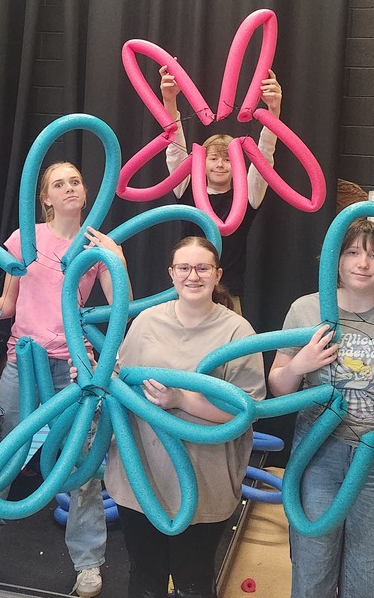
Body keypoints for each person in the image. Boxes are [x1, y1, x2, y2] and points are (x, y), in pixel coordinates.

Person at [0, 161, 127, 597]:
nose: (69, 188)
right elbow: (8, 305)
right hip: (22, 362)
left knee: (81, 465)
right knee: (2, 456)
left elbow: (120, 307)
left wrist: (117, 262)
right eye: (58, 184)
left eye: (75, 181)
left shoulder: (98, 245)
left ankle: (88, 563)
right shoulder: (24, 239)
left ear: (86, 193)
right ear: (45, 197)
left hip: (72, 368)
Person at [268, 218, 374, 598]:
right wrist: (300, 364)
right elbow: (279, 388)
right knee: (312, 565)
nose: (363, 263)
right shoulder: (306, 309)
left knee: (371, 574)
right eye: (352, 252)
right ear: (335, 258)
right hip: (317, 456)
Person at [102, 236, 265, 598]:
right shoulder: (146, 322)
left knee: (193, 579)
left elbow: (243, 413)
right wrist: (95, 376)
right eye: (184, 268)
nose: (193, 275)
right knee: (145, 576)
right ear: (171, 274)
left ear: (217, 274)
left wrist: (180, 399)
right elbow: (119, 383)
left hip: (203, 483)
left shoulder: (238, 333)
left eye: (203, 267)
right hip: (141, 477)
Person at [160, 67, 282, 312]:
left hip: (228, 300)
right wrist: (169, 100)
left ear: (237, 164)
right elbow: (174, 146)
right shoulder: (187, 188)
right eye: (214, 158)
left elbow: (265, 156)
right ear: (201, 162)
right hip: (186, 293)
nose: (220, 164)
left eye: (228, 159)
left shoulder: (246, 196)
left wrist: (273, 111)